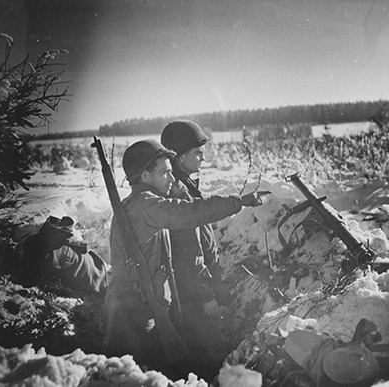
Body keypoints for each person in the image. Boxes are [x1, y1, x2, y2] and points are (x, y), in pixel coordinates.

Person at [104, 139, 267, 374]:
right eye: (165, 173)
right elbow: (190, 212)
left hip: (140, 310)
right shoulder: (145, 206)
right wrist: (238, 201)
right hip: (135, 319)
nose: (171, 179)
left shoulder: (140, 204)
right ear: (145, 176)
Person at [160, 120, 235, 370]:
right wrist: (207, 297)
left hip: (192, 295)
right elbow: (190, 256)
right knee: (212, 361)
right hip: (194, 301)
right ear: (180, 158)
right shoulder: (179, 193)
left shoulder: (185, 187)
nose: (203, 158)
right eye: (197, 152)